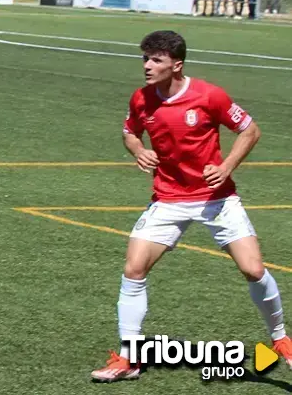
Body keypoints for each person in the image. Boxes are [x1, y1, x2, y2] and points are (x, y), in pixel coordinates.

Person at [90, 30, 292, 382]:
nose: (148, 66)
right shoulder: (141, 99)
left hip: (218, 201)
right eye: (145, 59)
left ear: (176, 65)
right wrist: (138, 150)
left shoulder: (209, 95)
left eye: (156, 60)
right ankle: (128, 357)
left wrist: (227, 166)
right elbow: (129, 132)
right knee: (134, 269)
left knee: (254, 270)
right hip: (168, 200)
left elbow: (250, 130)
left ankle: (281, 340)